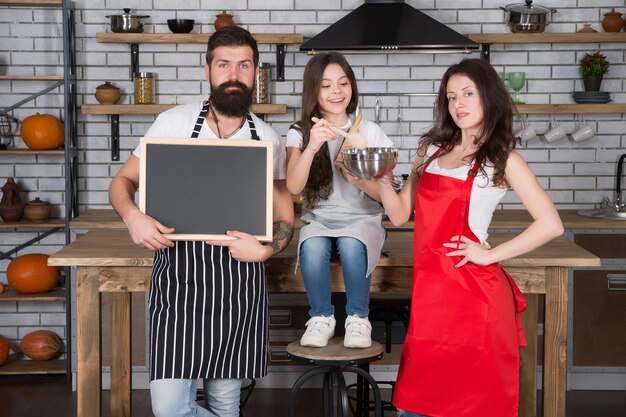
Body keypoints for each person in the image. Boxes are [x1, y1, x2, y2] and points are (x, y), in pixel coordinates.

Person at [108, 26, 294, 417]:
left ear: (256, 71)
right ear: (207, 69)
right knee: (170, 409)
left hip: (237, 285)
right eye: (223, 64)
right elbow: (122, 181)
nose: (233, 73)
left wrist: (265, 249)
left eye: (243, 65)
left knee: (226, 407)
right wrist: (133, 217)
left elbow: (284, 218)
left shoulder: (268, 138)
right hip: (178, 284)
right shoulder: (172, 123)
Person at [377, 58, 564, 417]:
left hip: (476, 299)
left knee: (475, 404)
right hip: (431, 297)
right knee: (415, 403)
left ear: (488, 98)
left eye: (467, 94)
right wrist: (381, 179)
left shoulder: (503, 160)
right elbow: (401, 214)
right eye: (451, 97)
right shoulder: (431, 151)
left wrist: (489, 255)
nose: (458, 104)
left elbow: (551, 224)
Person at [285, 52, 395, 349]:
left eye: (343, 83)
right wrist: (313, 146)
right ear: (313, 90)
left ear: (352, 87)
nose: (336, 92)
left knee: (350, 244)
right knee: (311, 248)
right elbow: (294, 185)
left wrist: (358, 178)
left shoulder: (369, 131)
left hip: (361, 219)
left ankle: (358, 318)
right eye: (326, 85)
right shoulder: (299, 132)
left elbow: (387, 196)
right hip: (319, 219)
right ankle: (321, 317)